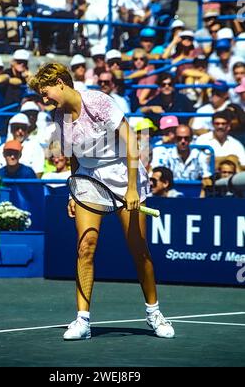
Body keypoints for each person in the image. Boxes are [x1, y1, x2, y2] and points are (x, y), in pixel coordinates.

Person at [28, 62, 175, 340]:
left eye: (45, 92)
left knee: (138, 249)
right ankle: (82, 321)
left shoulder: (98, 101)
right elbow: (72, 155)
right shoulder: (59, 117)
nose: (44, 99)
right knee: (85, 247)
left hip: (122, 172)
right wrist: (74, 190)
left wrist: (132, 188)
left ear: (60, 82)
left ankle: (154, 313)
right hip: (88, 179)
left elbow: (131, 141)